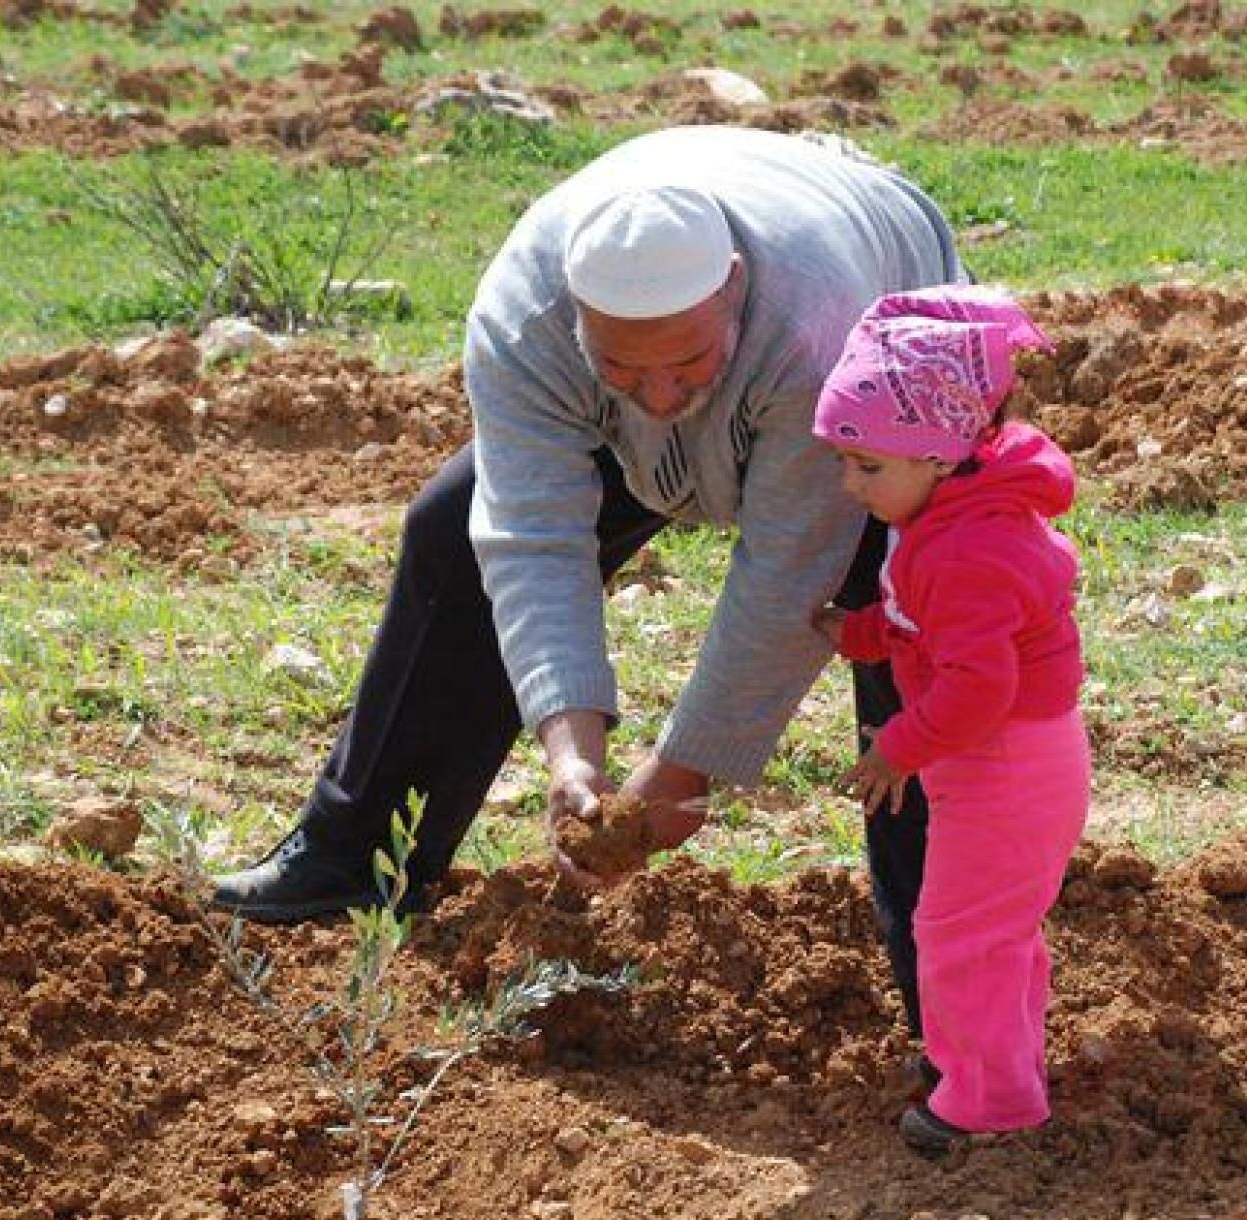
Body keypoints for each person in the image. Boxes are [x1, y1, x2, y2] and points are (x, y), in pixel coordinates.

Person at [210, 124, 961, 1042]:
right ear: (574, 316)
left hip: (865, 358)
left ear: (731, 288)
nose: (654, 397)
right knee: (454, 532)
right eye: (620, 367)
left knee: (908, 586)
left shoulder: (818, 327)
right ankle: (351, 861)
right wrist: (573, 754)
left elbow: (788, 574)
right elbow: (530, 533)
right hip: (710, 334)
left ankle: (953, 986)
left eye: (684, 365)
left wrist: (678, 777)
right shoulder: (522, 317)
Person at [808, 284, 1089, 1154]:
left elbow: (976, 689)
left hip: (1004, 769)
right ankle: (1001, 1073)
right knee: (994, 932)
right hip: (1011, 765)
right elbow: (918, 623)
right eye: (845, 463)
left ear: (936, 455)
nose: (849, 486)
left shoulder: (966, 550)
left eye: (868, 467)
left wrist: (897, 745)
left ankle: (987, 1102)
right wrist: (857, 632)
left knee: (959, 933)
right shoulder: (951, 519)